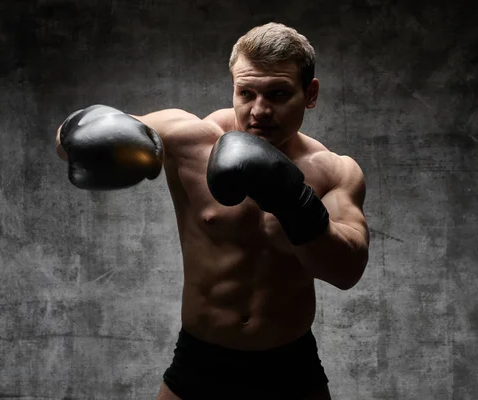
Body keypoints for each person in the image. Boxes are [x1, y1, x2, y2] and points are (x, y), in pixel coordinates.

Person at [55, 22, 369, 400]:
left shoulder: (335, 170)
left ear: (310, 93)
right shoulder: (189, 138)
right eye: (246, 92)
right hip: (201, 359)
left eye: (279, 94)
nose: (260, 110)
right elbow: (69, 142)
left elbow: (347, 270)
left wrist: (294, 202)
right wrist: (86, 135)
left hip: (290, 364)